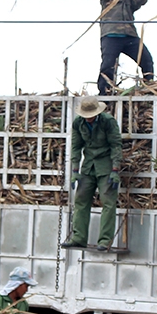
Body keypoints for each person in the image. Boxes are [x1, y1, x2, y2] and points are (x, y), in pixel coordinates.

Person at [62, 96, 122, 251]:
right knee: (81, 200)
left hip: (106, 166)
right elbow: (76, 147)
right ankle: (78, 238)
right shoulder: (78, 123)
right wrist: (75, 170)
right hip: (88, 166)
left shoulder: (108, 122)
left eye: (90, 115)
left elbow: (116, 145)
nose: (88, 119)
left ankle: (104, 241)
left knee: (108, 201)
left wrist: (115, 170)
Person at [96, 0, 155, 95]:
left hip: (129, 35)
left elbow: (141, 0)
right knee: (108, 64)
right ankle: (104, 91)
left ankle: (148, 85)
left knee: (146, 59)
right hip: (111, 35)